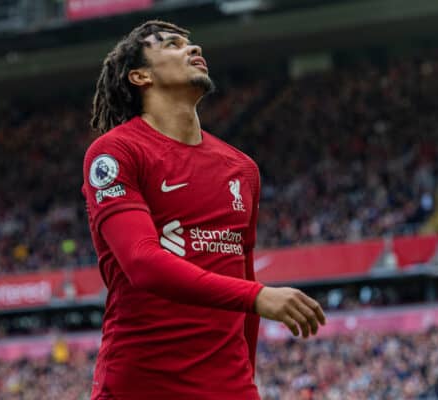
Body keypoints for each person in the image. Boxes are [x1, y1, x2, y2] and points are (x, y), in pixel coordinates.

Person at [82, 20, 326, 399]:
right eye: (172, 44)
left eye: (190, 43)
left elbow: (242, 276)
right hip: (142, 384)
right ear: (140, 75)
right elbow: (143, 263)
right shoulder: (116, 153)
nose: (192, 49)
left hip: (229, 387)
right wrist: (259, 297)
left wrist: (246, 375)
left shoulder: (242, 169)